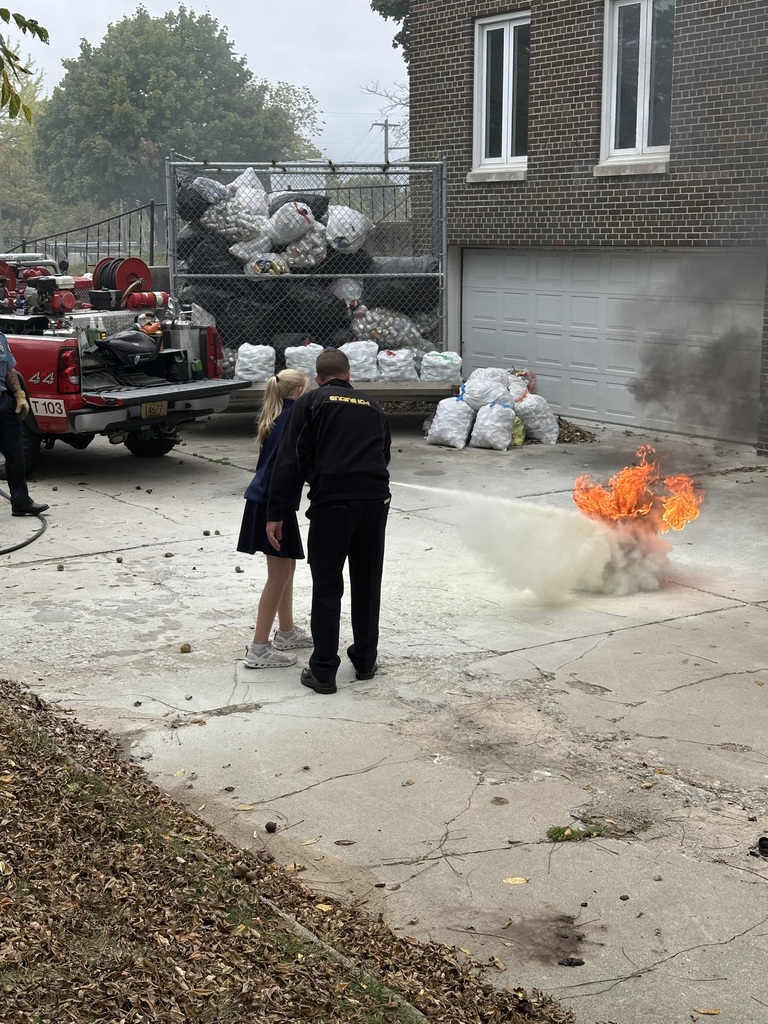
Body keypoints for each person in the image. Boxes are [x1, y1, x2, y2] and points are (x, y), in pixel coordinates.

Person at [266, 349, 391, 695]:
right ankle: (365, 660)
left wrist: (275, 512)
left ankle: (323, 671)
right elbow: (384, 453)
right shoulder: (372, 405)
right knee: (367, 583)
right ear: (348, 374)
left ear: (318, 378)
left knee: (327, 586)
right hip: (375, 502)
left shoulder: (312, 402)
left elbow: (289, 458)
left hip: (333, 504)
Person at [237, 368, 313, 669]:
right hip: (272, 505)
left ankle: (287, 632)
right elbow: (285, 467)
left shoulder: (279, 415)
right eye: (307, 389)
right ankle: (258, 649)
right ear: (297, 393)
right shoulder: (292, 419)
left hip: (273, 502)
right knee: (278, 575)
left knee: (287, 567)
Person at [0, 331, 49, 517]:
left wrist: (20, 395)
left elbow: (10, 370)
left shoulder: (1, 338)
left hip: (2, 403)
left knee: (16, 455)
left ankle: (21, 502)